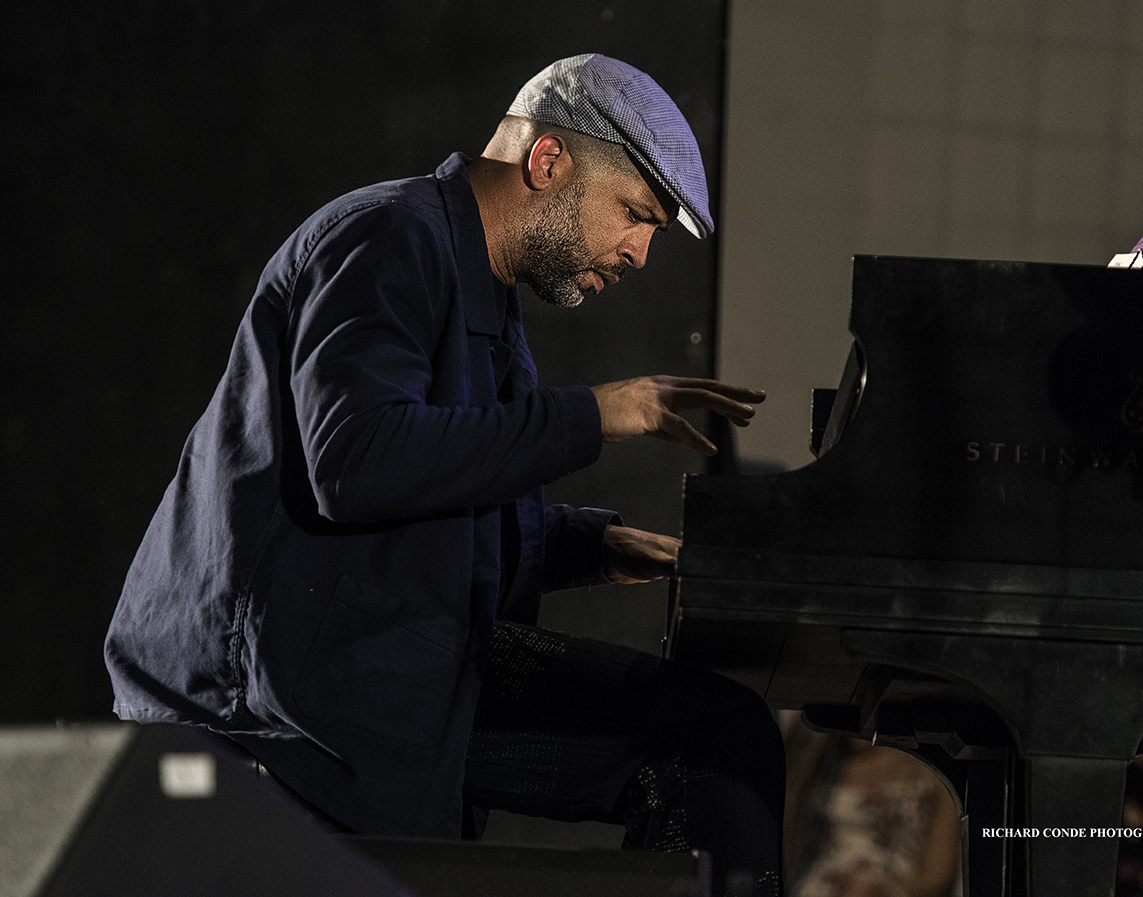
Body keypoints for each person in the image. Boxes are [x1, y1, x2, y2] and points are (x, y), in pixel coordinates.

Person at [104, 54, 784, 896]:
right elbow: (356, 463)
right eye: (636, 214)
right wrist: (593, 413)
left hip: (392, 674)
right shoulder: (388, 236)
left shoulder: (490, 301)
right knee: (712, 735)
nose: (641, 253)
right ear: (548, 163)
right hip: (280, 706)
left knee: (717, 737)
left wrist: (588, 544)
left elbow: (441, 490)